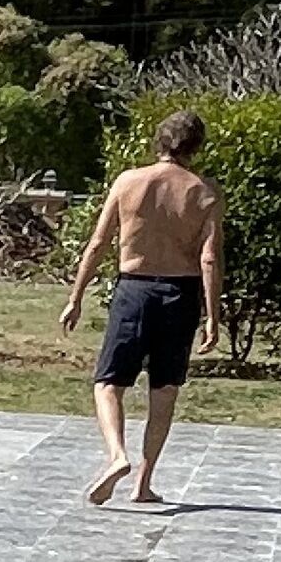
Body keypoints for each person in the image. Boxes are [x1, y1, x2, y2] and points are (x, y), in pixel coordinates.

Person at [59, 108, 225, 506]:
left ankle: (118, 455)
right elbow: (209, 259)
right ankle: (143, 484)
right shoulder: (205, 192)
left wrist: (75, 296)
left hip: (134, 288)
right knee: (164, 390)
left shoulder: (129, 181)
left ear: (159, 141)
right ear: (196, 147)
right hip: (180, 294)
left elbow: (97, 243)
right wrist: (212, 316)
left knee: (108, 383)